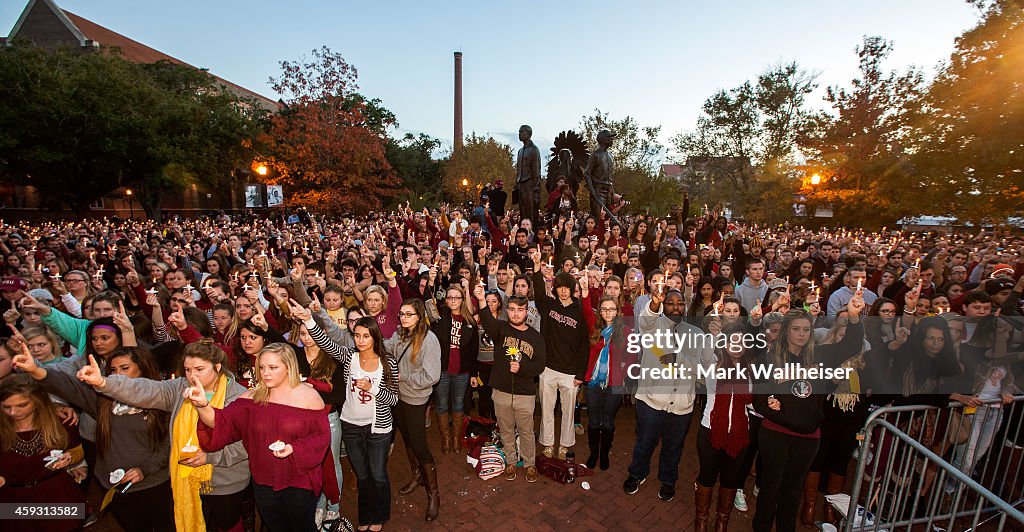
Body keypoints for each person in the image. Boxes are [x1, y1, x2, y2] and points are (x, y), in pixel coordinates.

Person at [75, 340, 251, 532]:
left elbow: (246, 445)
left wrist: (209, 457)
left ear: (217, 367)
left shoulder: (239, 397)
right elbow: (145, 390)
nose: (192, 376)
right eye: (188, 369)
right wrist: (103, 383)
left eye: (199, 369)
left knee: (229, 525)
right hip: (185, 478)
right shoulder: (179, 388)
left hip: (225, 481)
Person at [170, 343, 328, 532]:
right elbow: (221, 423)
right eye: (261, 367)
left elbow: (321, 438)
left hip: (299, 479)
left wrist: (294, 449)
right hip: (263, 480)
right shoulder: (251, 399)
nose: (265, 373)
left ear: (289, 367)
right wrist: (203, 405)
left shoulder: (309, 397)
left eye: (273, 368)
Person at [16, 346, 174, 532]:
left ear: (142, 369)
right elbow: (68, 386)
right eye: (113, 370)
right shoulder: (102, 401)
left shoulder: (162, 399)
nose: (118, 375)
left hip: (155, 485)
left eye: (125, 368)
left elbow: (170, 444)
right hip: (114, 486)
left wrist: (145, 469)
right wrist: (36, 370)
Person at [751, 292, 865, 532]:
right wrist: (772, 407)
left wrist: (854, 317)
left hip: (808, 438)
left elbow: (851, 345)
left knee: (792, 492)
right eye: (796, 329)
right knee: (771, 489)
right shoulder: (768, 358)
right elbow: (759, 399)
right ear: (786, 331)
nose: (802, 334)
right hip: (775, 434)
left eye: (806, 329)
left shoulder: (821, 356)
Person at [303, 315, 399, 532]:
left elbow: (394, 399)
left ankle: (380, 515)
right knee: (362, 475)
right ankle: (365, 516)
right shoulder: (349, 357)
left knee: (378, 474)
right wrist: (308, 319)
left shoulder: (387, 362)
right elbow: (325, 343)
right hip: (351, 424)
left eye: (366, 336)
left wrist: (372, 389)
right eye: (357, 335)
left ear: (375, 336)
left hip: (378, 427)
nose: (361, 340)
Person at [627, 286, 714, 504]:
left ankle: (668, 480)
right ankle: (637, 474)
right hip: (651, 402)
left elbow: (705, 370)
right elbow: (646, 320)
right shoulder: (653, 326)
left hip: (682, 406)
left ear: (686, 306)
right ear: (663, 305)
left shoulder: (696, 334)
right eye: (670, 302)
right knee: (644, 442)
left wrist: (679, 359)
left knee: (674, 447)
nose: (676, 307)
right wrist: (654, 303)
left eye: (680, 303)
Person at [474, 285, 546, 482]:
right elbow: (487, 321)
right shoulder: (501, 329)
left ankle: (530, 463)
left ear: (526, 311)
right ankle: (511, 461)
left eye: (520, 309)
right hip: (501, 391)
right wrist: (481, 300)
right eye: (512, 309)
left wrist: (522, 369)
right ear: (507, 310)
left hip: (525, 393)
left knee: (526, 432)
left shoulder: (535, 337)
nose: (516, 313)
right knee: (505, 430)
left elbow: (540, 364)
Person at [0, 374, 86, 532]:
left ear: (38, 400)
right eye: (6, 407)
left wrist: (70, 457)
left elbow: (77, 451)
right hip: (13, 500)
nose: (13, 412)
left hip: (57, 496)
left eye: (22, 405)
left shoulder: (61, 420)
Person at [695, 322, 755, 532]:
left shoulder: (752, 369)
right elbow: (704, 355)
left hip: (739, 433)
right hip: (710, 430)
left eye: (741, 341)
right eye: (732, 340)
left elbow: (754, 403)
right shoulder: (714, 363)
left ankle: (722, 522)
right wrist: (713, 336)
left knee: (730, 479)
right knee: (707, 476)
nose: (737, 345)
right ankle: (701, 520)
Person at [386, 300, 442, 522]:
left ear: (420, 316)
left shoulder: (429, 340)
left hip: (416, 399)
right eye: (401, 314)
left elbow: (432, 376)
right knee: (407, 439)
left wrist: (404, 377)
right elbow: (386, 346)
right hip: (397, 397)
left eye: (409, 315)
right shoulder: (400, 334)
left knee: (420, 445)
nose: (403, 318)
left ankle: (434, 495)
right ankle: (417, 476)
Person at [531, 254, 590, 461]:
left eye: (567, 286)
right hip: (548, 368)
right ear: (555, 288)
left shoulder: (580, 311)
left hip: (570, 372)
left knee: (568, 413)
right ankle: (547, 444)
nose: (563, 290)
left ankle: (564, 444)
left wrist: (581, 373)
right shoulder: (549, 305)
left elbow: (584, 345)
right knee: (547, 410)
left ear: (572, 288)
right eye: (560, 286)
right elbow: (538, 293)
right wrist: (537, 268)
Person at [579, 286, 634, 471]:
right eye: (604, 309)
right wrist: (585, 290)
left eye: (611, 309)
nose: (608, 312)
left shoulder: (625, 331)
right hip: (593, 383)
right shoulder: (595, 327)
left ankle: (604, 453)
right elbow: (586, 309)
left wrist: (625, 372)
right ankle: (594, 453)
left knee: (608, 421)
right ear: (600, 311)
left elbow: (633, 355)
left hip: (614, 384)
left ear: (618, 311)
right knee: (594, 420)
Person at [430, 285, 479, 455]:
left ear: (462, 300)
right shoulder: (440, 318)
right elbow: (428, 303)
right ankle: (446, 438)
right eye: (450, 297)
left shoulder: (470, 322)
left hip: (462, 372)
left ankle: (457, 437)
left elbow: (474, 352)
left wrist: (473, 374)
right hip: (442, 371)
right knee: (442, 404)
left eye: (456, 297)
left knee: (458, 404)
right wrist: (432, 282)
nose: (453, 300)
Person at [515, 125, 542, 225]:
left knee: (530, 212)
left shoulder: (534, 149)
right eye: (519, 131)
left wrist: (536, 191)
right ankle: (523, 234)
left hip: (529, 184)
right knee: (523, 212)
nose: (519, 134)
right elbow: (518, 170)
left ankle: (531, 235)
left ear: (528, 134)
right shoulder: (520, 151)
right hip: (520, 184)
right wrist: (516, 183)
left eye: (522, 132)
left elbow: (536, 171)